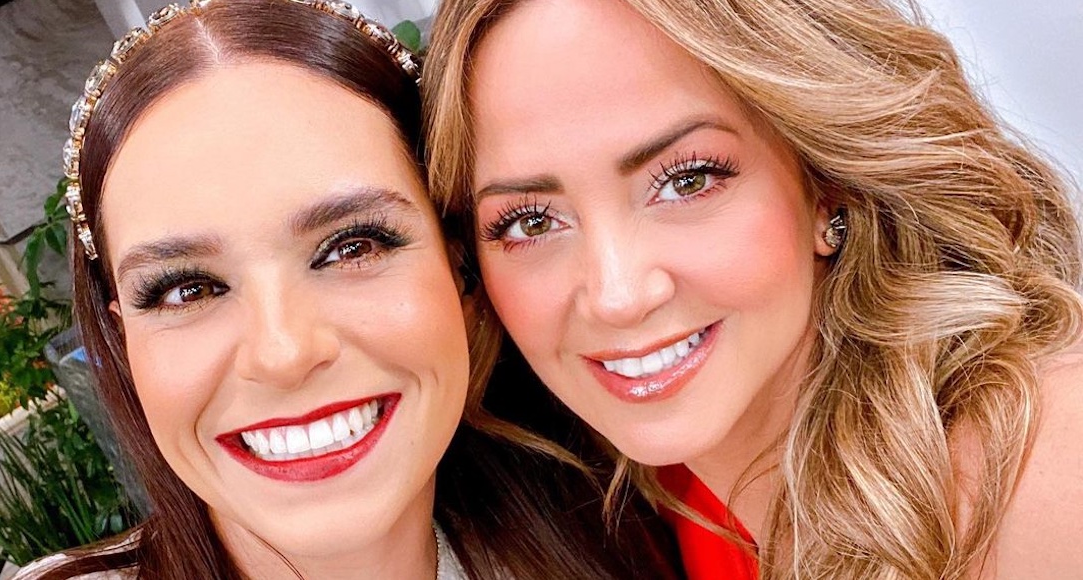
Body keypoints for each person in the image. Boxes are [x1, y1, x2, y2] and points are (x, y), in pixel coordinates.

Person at [16, 0, 680, 577]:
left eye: (352, 248)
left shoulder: (639, 537)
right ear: (123, 338)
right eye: (186, 290)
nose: (283, 353)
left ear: (462, 272)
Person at [422, 0, 1083, 578]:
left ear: (825, 185)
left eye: (686, 181)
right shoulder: (637, 512)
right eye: (532, 222)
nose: (618, 295)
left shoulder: (1044, 468)